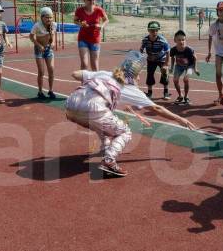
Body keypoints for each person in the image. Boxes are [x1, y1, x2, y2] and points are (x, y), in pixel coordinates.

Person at [65, 51, 197, 177]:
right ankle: (109, 161)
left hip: (71, 105)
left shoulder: (105, 74)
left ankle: (105, 146)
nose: (139, 77)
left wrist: (94, 81)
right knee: (124, 132)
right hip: (94, 109)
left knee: (101, 120)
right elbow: (157, 108)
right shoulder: (130, 89)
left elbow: (75, 74)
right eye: (138, 73)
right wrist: (180, 119)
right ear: (133, 75)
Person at [74, 0, 108, 71]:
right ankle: (84, 83)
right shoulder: (79, 10)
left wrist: (101, 26)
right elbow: (75, 21)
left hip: (95, 39)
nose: (91, 1)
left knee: (94, 65)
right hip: (83, 39)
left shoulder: (99, 10)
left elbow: (106, 20)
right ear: (84, 0)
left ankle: (95, 83)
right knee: (84, 63)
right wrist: (81, 24)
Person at [29, 7, 57, 99]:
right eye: (46, 17)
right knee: (41, 72)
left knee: (51, 70)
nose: (49, 19)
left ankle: (51, 90)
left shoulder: (53, 25)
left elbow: (52, 36)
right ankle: (40, 92)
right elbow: (31, 37)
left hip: (48, 50)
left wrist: (53, 43)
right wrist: (39, 45)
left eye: (50, 17)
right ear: (42, 17)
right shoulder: (37, 25)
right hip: (39, 50)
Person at [140, 20, 171, 99]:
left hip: (161, 59)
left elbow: (168, 52)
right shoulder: (145, 40)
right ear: (148, 30)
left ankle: (166, 92)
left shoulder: (162, 40)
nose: (154, 32)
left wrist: (166, 64)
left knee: (165, 74)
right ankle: (149, 93)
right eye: (152, 30)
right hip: (151, 59)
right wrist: (143, 54)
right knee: (150, 74)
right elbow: (141, 48)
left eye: (156, 30)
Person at [169, 29, 200, 105]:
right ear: (175, 40)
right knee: (175, 80)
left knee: (185, 79)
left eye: (183, 40)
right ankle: (180, 96)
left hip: (189, 66)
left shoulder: (188, 50)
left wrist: (195, 69)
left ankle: (186, 97)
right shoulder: (173, 50)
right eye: (179, 40)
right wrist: (172, 67)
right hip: (179, 66)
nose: (181, 42)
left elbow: (195, 58)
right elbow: (172, 58)